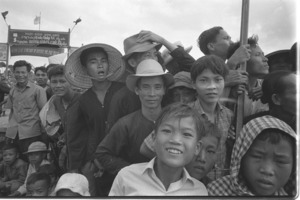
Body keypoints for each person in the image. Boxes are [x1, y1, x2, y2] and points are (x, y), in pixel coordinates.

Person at [96, 59, 173, 195]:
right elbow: (102, 153)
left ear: (164, 90)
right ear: (137, 90)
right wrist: (132, 171)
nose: (152, 94)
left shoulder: (175, 121)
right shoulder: (125, 124)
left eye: (157, 87)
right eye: (146, 87)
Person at [64, 43, 125, 196]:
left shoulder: (124, 90)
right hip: (99, 162)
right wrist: (91, 159)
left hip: (125, 157)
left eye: (103, 60)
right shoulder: (83, 100)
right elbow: (82, 134)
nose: (100, 65)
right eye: (93, 61)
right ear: (85, 68)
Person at [109, 103, 207, 196]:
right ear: (153, 138)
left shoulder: (199, 192)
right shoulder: (127, 177)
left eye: (186, 134)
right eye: (167, 131)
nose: (176, 140)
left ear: (197, 147)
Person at [107, 31, 195, 131]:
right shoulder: (121, 98)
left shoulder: (167, 88)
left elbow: (196, 69)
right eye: (148, 55)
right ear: (132, 62)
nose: (154, 59)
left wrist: (163, 41)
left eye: (155, 54)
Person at [207, 115, 296, 196]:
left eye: (281, 161)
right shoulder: (216, 192)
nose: (267, 170)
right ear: (240, 157)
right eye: (257, 156)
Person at [189, 55, 233, 181]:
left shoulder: (228, 115)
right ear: (193, 84)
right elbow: (150, 148)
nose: (212, 86)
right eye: (204, 80)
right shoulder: (183, 114)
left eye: (218, 80)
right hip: (191, 183)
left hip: (219, 184)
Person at [40, 64, 81, 174]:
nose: (58, 85)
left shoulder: (83, 100)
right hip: (67, 151)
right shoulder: (56, 101)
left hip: (82, 152)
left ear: (71, 82)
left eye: (62, 81)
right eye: (54, 82)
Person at [5, 60, 47, 159]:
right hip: (14, 134)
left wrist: (43, 133)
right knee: (16, 162)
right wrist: (9, 132)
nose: (20, 75)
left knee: (30, 162)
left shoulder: (38, 90)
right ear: (13, 73)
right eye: (18, 72)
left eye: (23, 72)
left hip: (31, 134)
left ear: (28, 74)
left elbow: (44, 113)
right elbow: (11, 112)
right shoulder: (12, 90)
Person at [197, 26, 250, 98]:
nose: (232, 42)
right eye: (226, 38)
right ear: (211, 46)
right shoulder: (200, 67)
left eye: (230, 39)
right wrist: (231, 63)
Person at [226, 35, 269, 117]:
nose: (265, 59)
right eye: (257, 55)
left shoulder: (268, 86)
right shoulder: (227, 89)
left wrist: (268, 91)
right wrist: (232, 98)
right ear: (241, 61)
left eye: (263, 54)